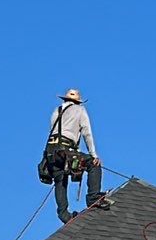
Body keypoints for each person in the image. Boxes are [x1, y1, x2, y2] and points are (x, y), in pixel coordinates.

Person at [40, 88, 109, 222]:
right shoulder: (80, 110)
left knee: (60, 179)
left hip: (51, 152)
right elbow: (86, 133)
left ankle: (64, 215)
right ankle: (93, 198)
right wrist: (93, 155)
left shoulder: (57, 111)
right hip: (65, 149)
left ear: (65, 99)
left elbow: (54, 131)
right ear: (78, 102)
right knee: (93, 164)